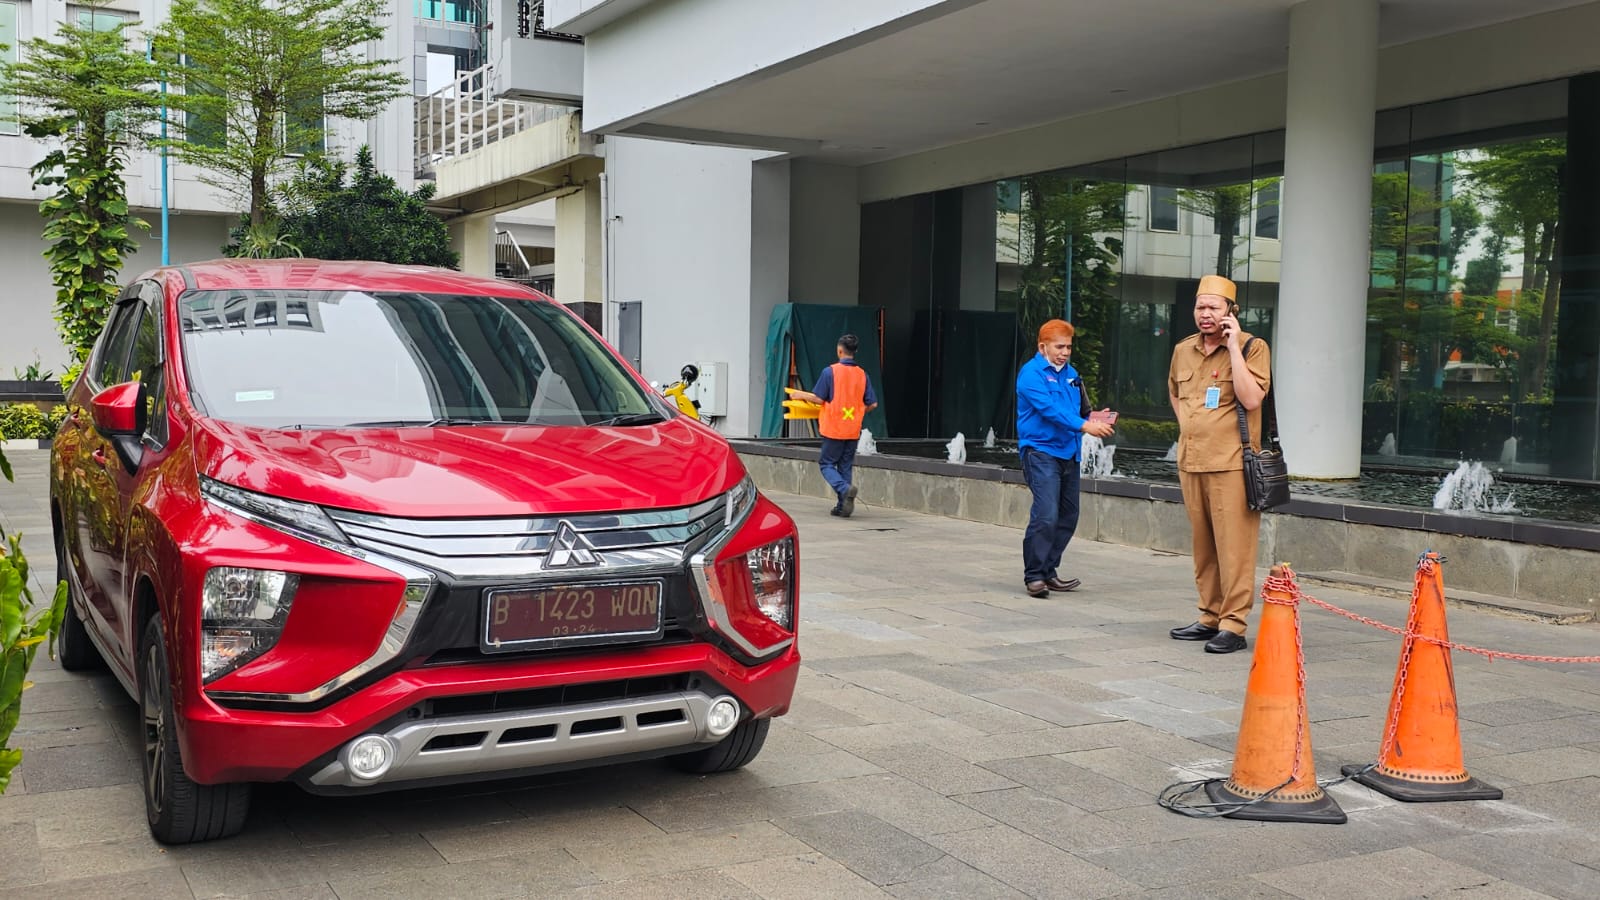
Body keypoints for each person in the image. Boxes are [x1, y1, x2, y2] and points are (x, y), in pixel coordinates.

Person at [1166, 275, 1271, 654]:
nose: (1205, 314)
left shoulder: (1253, 347)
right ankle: (1210, 615)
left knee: (1234, 548)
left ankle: (1234, 623)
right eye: (1200, 307)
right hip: (1191, 460)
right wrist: (1190, 427)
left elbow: (1252, 398)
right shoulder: (1183, 349)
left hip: (1231, 464)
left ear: (1231, 311)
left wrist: (1233, 348)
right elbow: (1175, 394)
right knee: (1203, 546)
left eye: (1213, 307)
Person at [1015, 319, 1115, 598]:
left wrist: (1096, 419)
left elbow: (1081, 411)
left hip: (1068, 453)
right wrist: (1085, 426)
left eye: (1068, 347)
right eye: (1059, 347)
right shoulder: (1030, 374)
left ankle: (1048, 571)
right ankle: (1034, 576)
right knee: (1046, 514)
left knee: (1069, 515)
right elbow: (1049, 410)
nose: (1064, 352)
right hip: (1040, 452)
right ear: (1042, 346)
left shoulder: (1072, 374)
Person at [791, 333, 878, 517]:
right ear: (855, 351)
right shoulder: (862, 374)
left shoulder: (830, 372)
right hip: (853, 430)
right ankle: (842, 506)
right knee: (845, 466)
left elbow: (818, 398)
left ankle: (844, 488)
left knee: (826, 464)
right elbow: (872, 404)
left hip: (834, 428)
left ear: (839, 350)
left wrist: (800, 395)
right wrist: (858, 413)